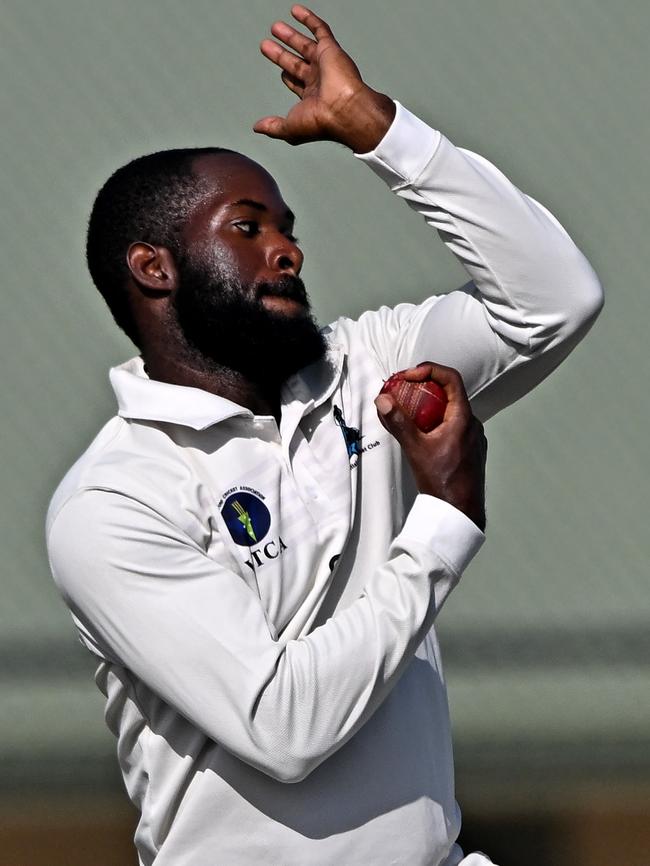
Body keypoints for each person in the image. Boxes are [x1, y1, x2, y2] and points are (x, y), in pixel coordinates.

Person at [46, 6, 603, 865]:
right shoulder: (114, 499)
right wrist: (444, 520)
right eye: (247, 228)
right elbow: (284, 727)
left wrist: (382, 133)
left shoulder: (363, 366)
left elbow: (554, 300)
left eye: (288, 229)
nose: (286, 251)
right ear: (153, 267)